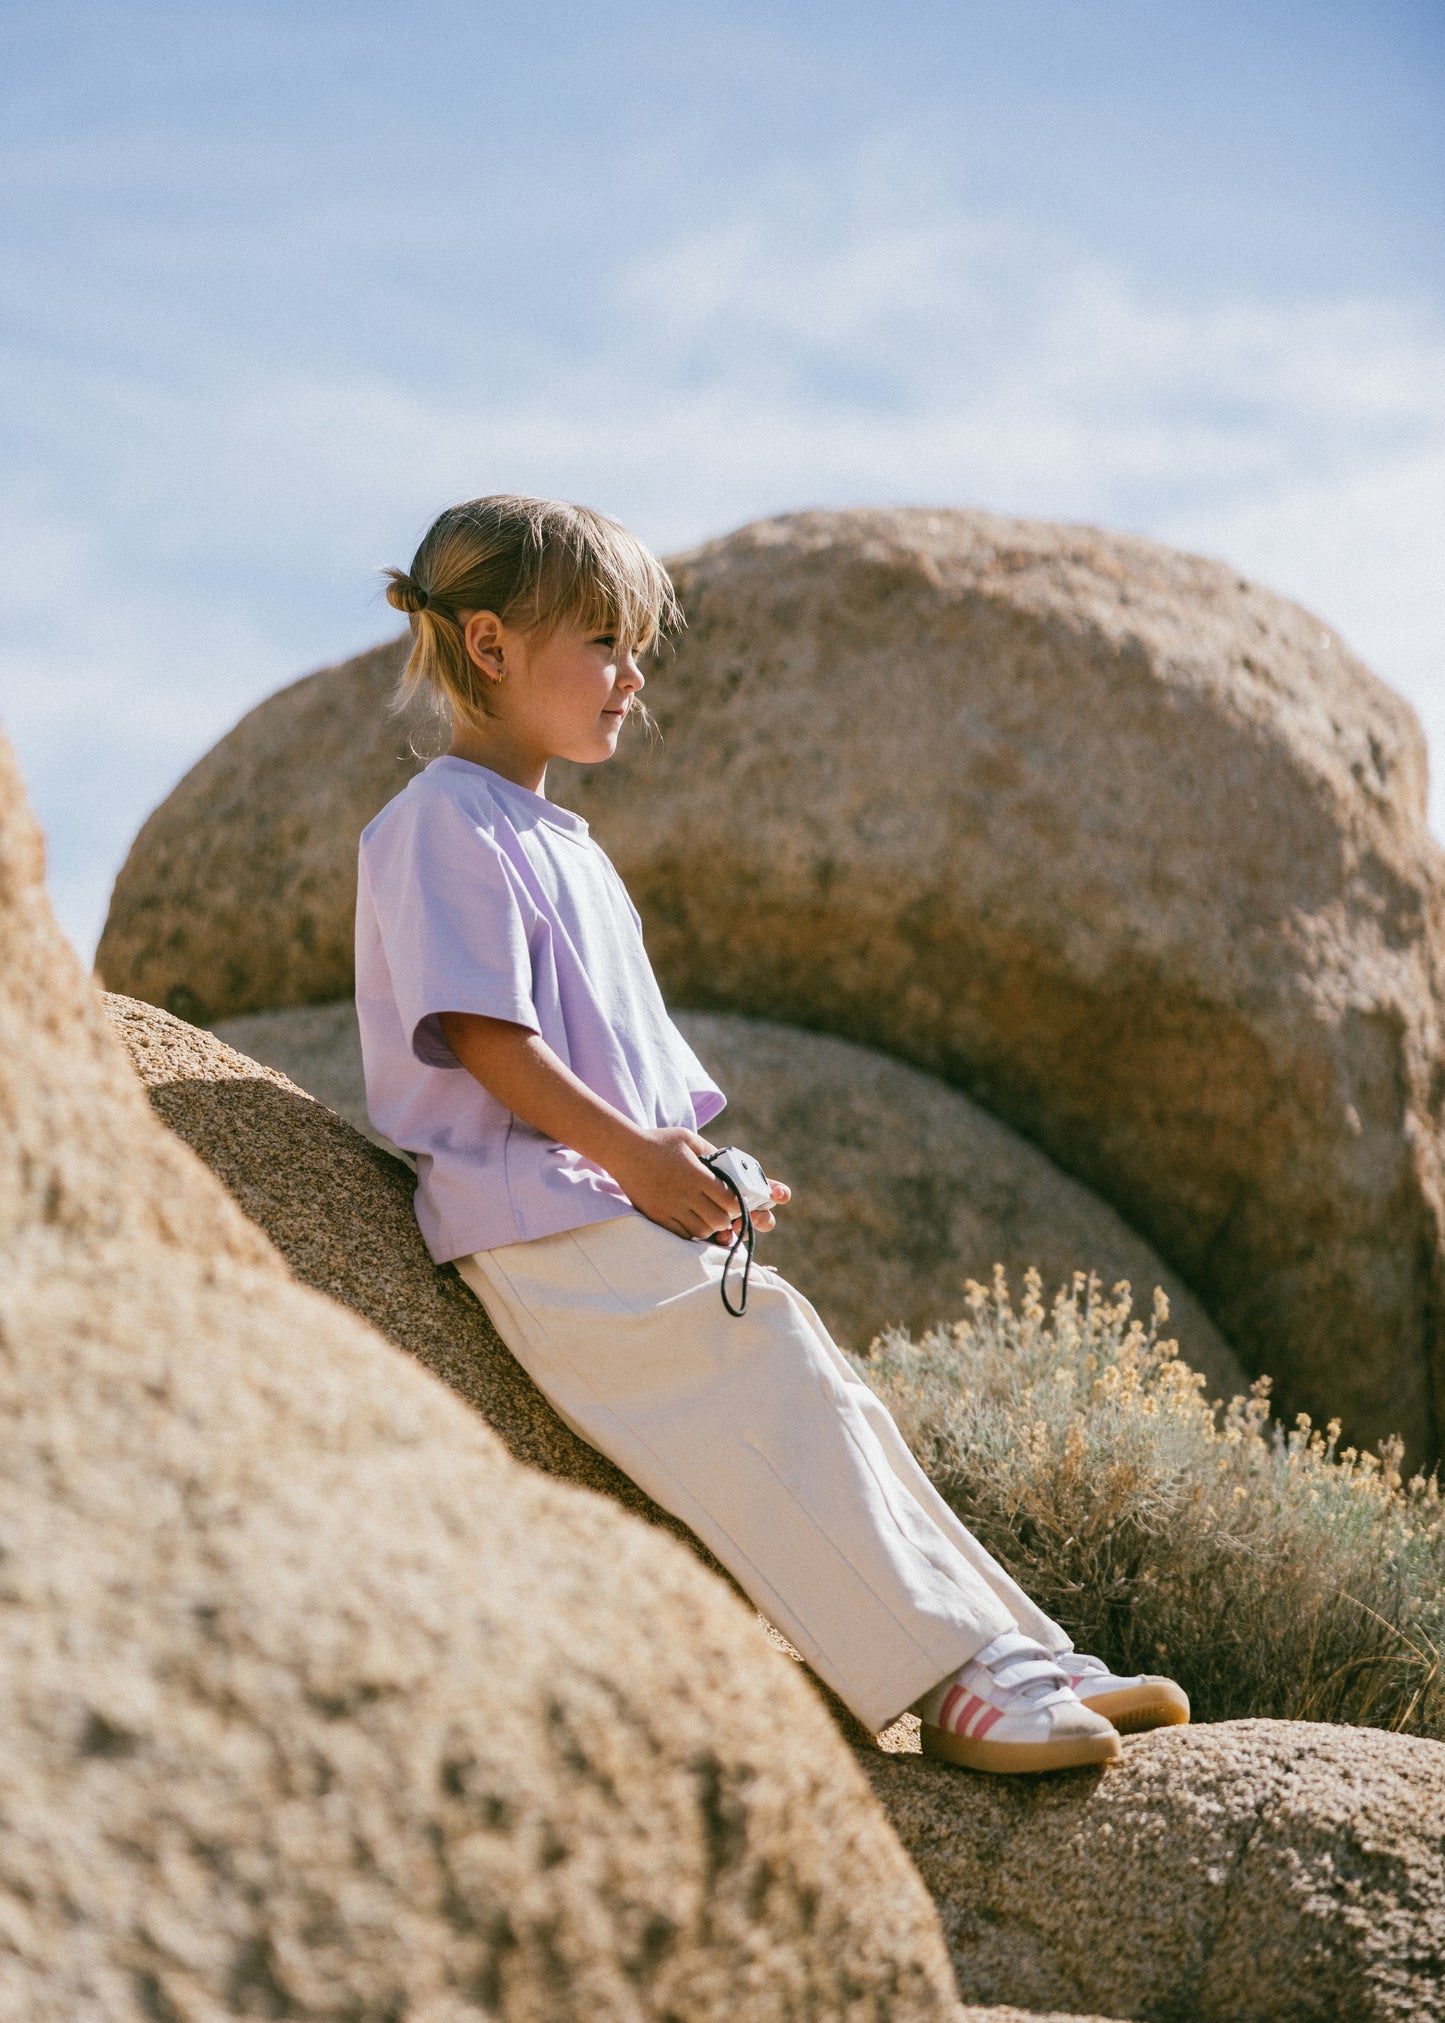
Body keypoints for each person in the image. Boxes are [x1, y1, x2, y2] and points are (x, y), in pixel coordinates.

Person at [356, 494, 1190, 1774]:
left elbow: (624, 1080)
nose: (631, 676)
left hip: (602, 1209)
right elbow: (485, 1041)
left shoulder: (563, 841)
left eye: (636, 647)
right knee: (775, 1397)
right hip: (534, 1218)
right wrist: (636, 1160)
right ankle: (953, 1684)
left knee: (817, 1376)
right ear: (487, 645)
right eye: (601, 643)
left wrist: (701, 1171)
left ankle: (1019, 1648)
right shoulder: (438, 822)